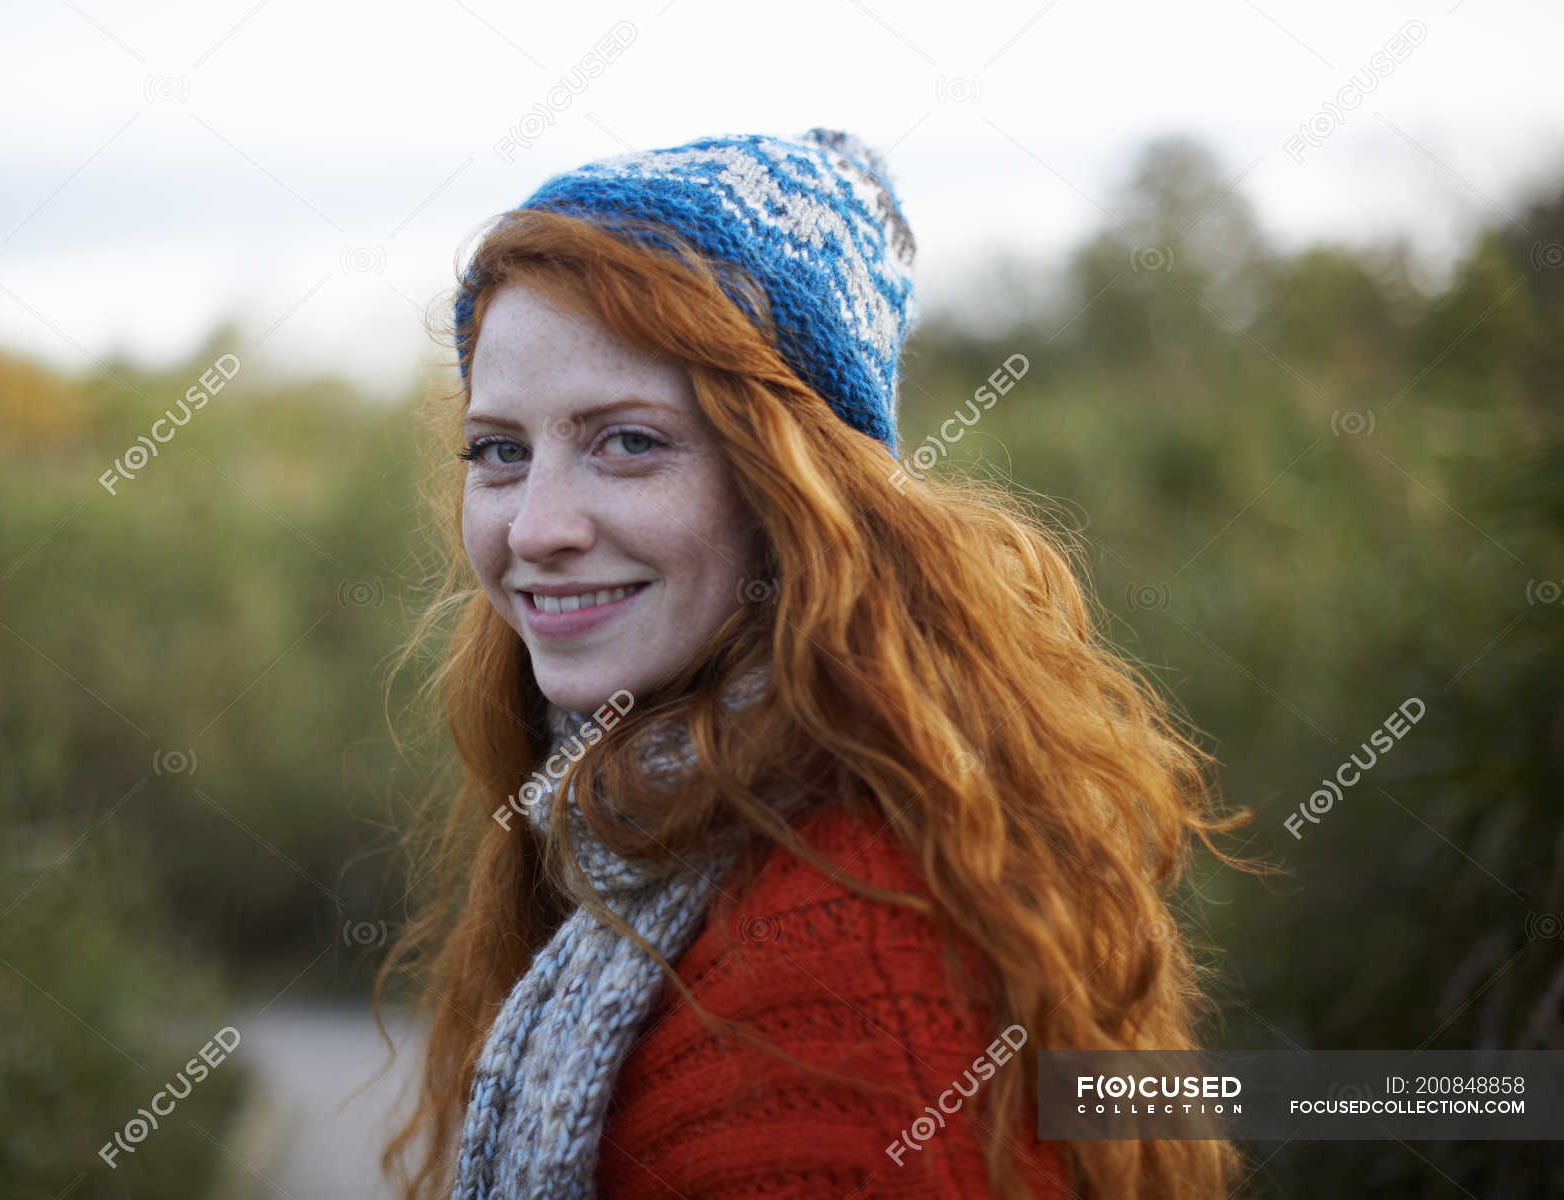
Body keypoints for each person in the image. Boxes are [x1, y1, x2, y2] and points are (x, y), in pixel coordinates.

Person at [374, 127, 1257, 1199]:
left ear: (798, 486)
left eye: (629, 441)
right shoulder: (615, 839)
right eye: (499, 452)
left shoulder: (852, 969)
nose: (537, 527)